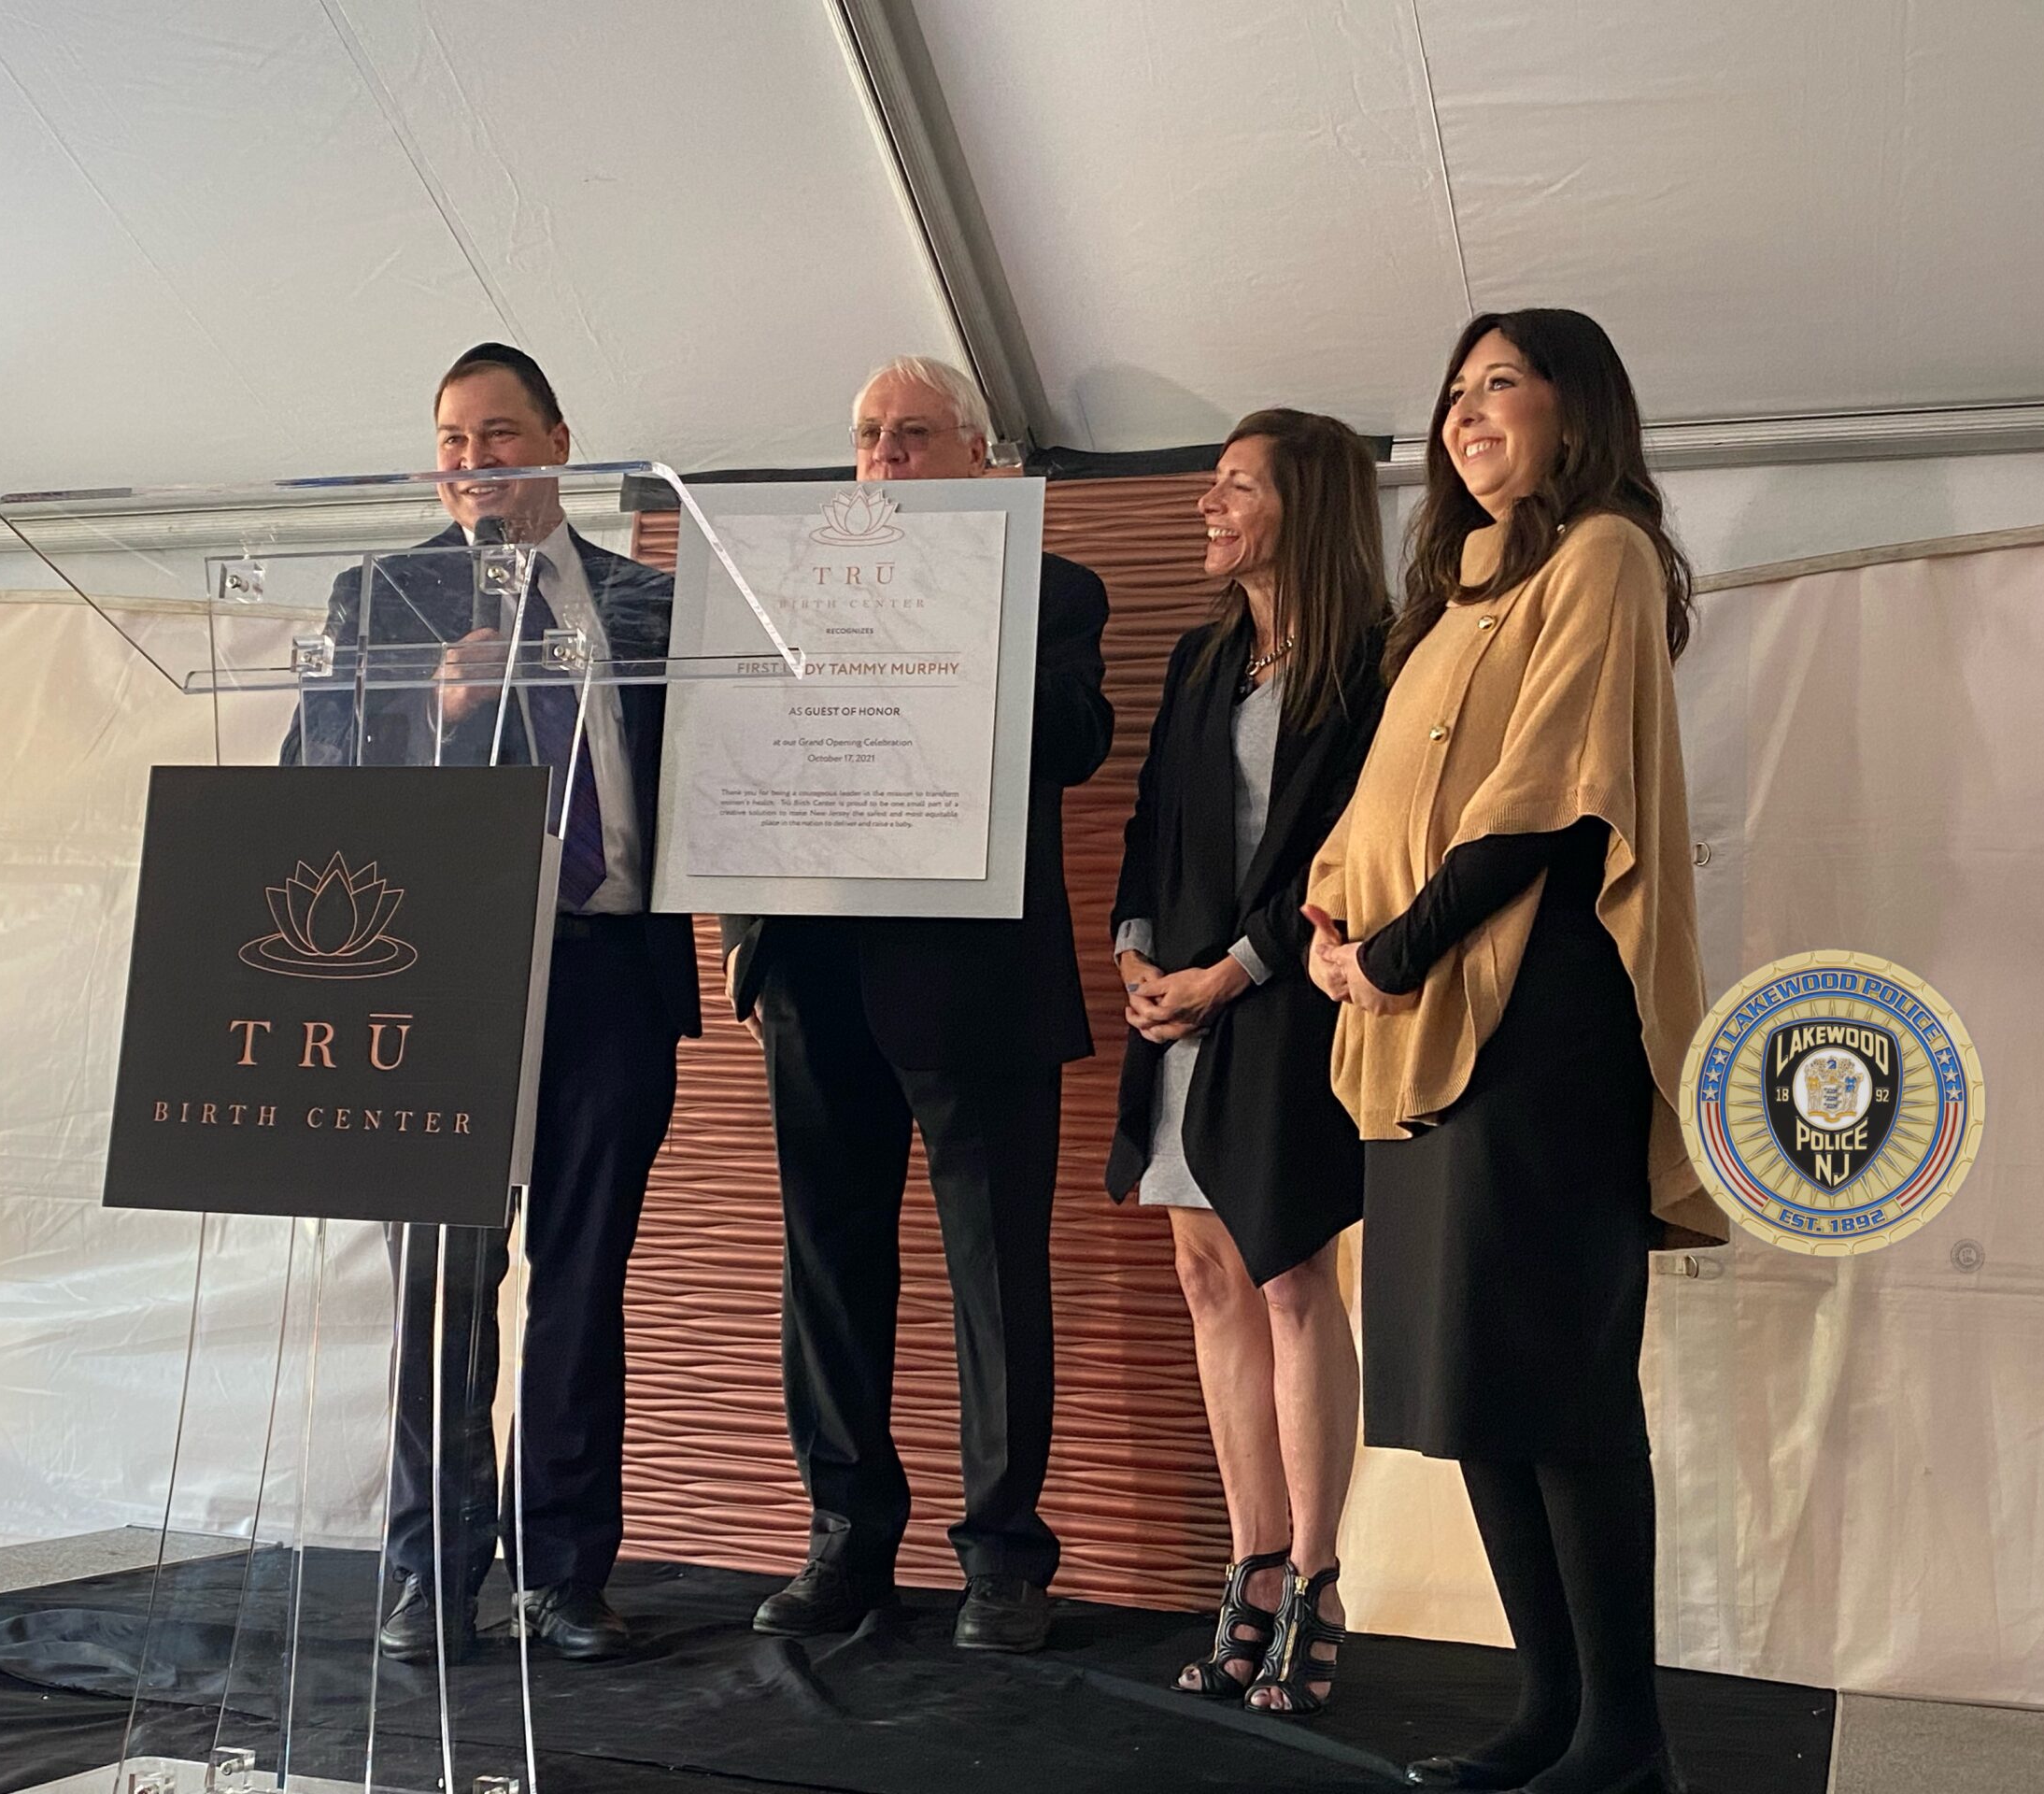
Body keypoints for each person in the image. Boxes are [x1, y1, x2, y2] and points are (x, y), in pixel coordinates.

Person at [1304, 309, 1729, 1794]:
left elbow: (1548, 802)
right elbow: (1378, 806)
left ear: (1575, 406)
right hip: (1421, 1022)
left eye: (1502, 383)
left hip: (1536, 1021)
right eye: (1455, 392)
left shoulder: (1603, 553)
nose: (1468, 412)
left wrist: (1395, 950)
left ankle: (1628, 1737)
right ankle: (1551, 1710)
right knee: (1479, 1379)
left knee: (1562, 1380)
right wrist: (1332, 925)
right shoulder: (1454, 593)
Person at [286, 342, 700, 1664]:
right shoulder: (381, 597)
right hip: (443, 976)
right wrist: (433, 701)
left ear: (560, 444)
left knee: (582, 1285)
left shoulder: (650, 603)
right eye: (453, 442)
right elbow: (313, 774)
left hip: (612, 973)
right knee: (443, 1290)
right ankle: (433, 1572)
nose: (474, 463)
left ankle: (564, 1578)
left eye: (499, 434)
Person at [720, 355, 1114, 1653]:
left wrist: (958, 617)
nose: (884, 458)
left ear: (979, 460)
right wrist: (744, 934)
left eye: (913, 436)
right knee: (828, 1272)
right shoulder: (778, 588)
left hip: (976, 989)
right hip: (814, 975)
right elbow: (735, 750)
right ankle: (846, 1542)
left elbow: (1077, 742)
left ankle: (1004, 1559)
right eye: (868, 437)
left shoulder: (1053, 589)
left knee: (995, 1276)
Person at [1106, 408, 1388, 1714]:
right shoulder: (1201, 655)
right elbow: (1153, 820)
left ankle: (1320, 1576)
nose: (1207, 506)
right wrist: (1136, 952)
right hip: (1179, 1004)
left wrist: (1232, 971)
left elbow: (1359, 851)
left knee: (1287, 1278)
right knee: (1206, 1273)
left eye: (1235, 486)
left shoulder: (1380, 660)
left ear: (1305, 508)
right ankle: (1254, 1565)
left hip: (1285, 1007)